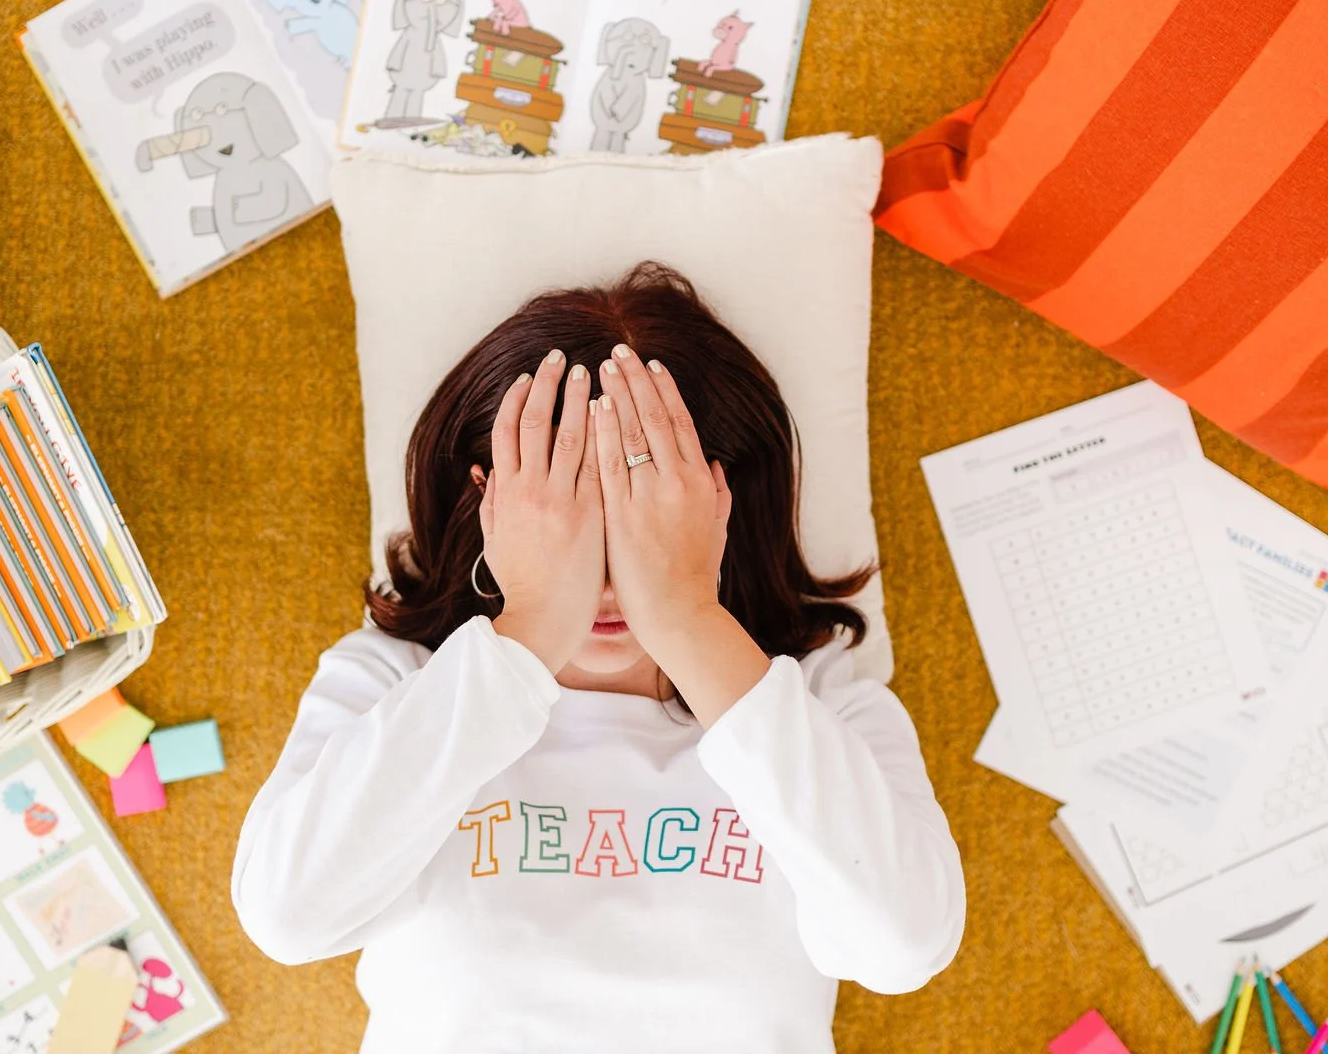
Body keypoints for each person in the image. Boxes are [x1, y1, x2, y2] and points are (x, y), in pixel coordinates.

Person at [232, 263, 965, 1052]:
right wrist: (535, 620)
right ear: (491, 509)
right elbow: (287, 915)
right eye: (574, 522)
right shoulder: (395, 682)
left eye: (642, 528)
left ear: (722, 513)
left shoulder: (819, 705)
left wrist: (687, 613)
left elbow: (905, 945)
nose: (610, 583)